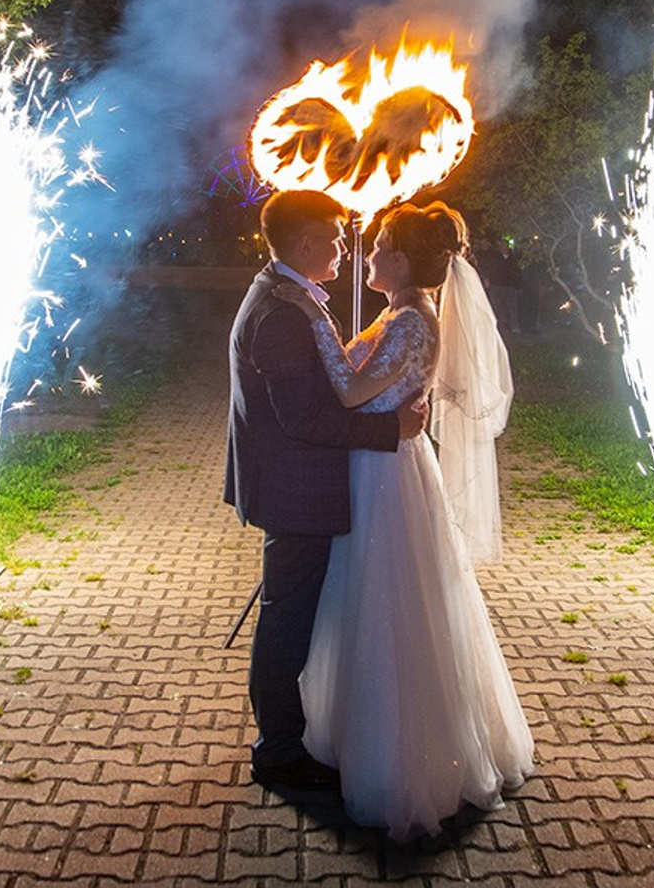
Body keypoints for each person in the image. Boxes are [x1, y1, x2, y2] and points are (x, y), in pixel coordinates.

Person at [279, 201, 533, 842]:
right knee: (374, 598)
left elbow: (348, 390)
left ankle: (400, 762)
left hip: (386, 475)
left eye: (377, 247)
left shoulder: (412, 323)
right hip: (385, 462)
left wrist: (314, 318)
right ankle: (361, 734)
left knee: (390, 601)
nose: (366, 256)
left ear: (396, 259)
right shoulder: (401, 315)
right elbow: (364, 380)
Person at [225, 189, 427, 796]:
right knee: (286, 622)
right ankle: (279, 753)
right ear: (307, 243)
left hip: (294, 483)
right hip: (294, 490)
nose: (344, 246)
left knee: (290, 614)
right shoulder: (283, 313)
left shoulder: (286, 294)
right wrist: (390, 427)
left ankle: (287, 741)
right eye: (336, 238)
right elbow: (305, 419)